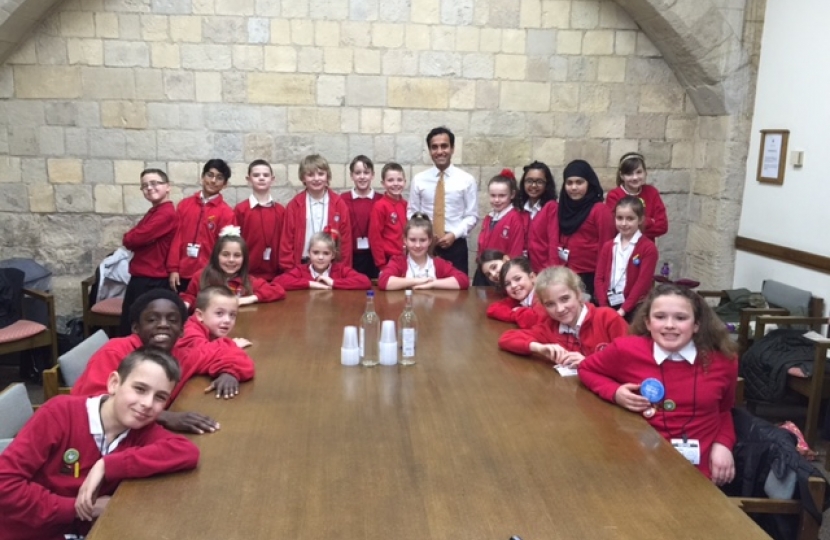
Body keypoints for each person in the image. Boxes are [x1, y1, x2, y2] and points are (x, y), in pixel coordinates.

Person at [0, 349, 200, 540]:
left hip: (92, 530)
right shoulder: (60, 413)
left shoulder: (140, 428)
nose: (147, 403)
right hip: (30, 532)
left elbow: (186, 452)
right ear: (114, 383)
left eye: (160, 397)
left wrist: (107, 465)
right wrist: (77, 508)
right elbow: (5, 484)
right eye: (140, 389)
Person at [579, 284, 738, 484]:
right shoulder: (625, 350)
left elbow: (724, 410)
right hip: (636, 459)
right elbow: (586, 369)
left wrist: (723, 444)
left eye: (681, 318)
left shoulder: (723, 361)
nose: (669, 325)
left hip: (698, 468)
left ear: (696, 324)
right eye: (660, 317)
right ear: (647, 322)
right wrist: (615, 392)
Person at [72, 289, 220, 434]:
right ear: (136, 328)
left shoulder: (182, 355)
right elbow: (94, 402)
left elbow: (224, 352)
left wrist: (228, 373)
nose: (163, 325)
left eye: (172, 320)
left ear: (181, 330)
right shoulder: (115, 351)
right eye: (152, 320)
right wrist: (163, 416)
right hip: (95, 432)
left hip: (140, 429)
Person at [498, 266, 627, 367]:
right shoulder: (549, 327)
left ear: (578, 294)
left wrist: (588, 362)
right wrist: (540, 348)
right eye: (550, 304)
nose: (560, 309)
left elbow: (630, 358)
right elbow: (506, 338)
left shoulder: (607, 318)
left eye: (565, 299)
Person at [408, 126, 478, 274]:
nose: (440, 151)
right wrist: (425, 233)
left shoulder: (466, 180)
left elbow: (472, 215)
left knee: (457, 286)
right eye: (434, 147)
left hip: (456, 245)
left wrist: (454, 234)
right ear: (429, 151)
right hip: (426, 246)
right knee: (424, 284)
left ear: (452, 149)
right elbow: (412, 213)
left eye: (444, 146)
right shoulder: (419, 180)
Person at [118, 168, 178, 336]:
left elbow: (133, 239)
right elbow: (135, 237)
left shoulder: (165, 214)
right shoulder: (154, 211)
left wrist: (131, 238)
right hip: (143, 276)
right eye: (144, 186)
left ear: (167, 186)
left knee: (138, 328)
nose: (149, 188)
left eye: (154, 183)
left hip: (151, 279)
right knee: (131, 324)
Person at [167, 159, 236, 292]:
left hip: (209, 276)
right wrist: (173, 268)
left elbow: (225, 248)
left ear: (225, 184)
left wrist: (219, 274)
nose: (213, 181)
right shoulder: (184, 205)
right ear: (202, 177)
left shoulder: (227, 213)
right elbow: (176, 238)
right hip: (181, 273)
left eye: (219, 178)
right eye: (210, 175)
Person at [177, 286, 256, 400]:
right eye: (219, 313)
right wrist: (230, 344)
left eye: (232, 315)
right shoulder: (188, 331)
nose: (227, 320)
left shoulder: (210, 330)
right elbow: (206, 355)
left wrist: (230, 371)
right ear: (200, 315)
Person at [180, 226, 285, 310]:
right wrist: (186, 304)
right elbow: (190, 296)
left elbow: (278, 291)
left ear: (244, 259)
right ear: (216, 256)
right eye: (225, 255)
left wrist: (247, 299)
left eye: (237, 255)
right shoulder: (201, 276)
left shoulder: (248, 281)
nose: (231, 260)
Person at [279, 154, 353, 272]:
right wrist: (289, 270)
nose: (316, 178)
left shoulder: (339, 204)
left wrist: (342, 269)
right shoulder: (294, 205)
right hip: (302, 264)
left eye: (321, 174)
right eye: (310, 175)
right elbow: (287, 241)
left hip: (331, 266)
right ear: (303, 178)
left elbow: (345, 241)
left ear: (327, 176)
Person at [556, 159, 615, 299]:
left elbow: (607, 246)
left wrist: (601, 282)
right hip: (566, 273)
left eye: (579, 182)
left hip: (591, 276)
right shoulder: (563, 208)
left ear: (589, 183)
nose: (574, 187)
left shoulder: (599, 210)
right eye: (569, 183)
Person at [594, 196, 658, 322]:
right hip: (608, 303)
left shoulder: (648, 248)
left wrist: (623, 310)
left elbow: (643, 282)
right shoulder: (608, 246)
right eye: (619, 218)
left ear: (640, 220)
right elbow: (599, 278)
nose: (624, 223)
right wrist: (604, 306)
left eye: (630, 219)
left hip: (634, 306)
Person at [378, 213, 470, 291]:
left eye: (422, 240)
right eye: (412, 240)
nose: (418, 245)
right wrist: (417, 281)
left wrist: (432, 283)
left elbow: (463, 280)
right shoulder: (398, 262)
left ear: (430, 240)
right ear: (405, 240)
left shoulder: (438, 264)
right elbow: (383, 281)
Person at [234, 159, 285, 281]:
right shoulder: (241, 210)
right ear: (249, 179)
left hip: (276, 275)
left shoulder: (281, 211)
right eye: (256, 175)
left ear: (272, 179)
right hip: (246, 275)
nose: (261, 178)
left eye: (266, 175)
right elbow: (235, 242)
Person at [473, 169, 526, 286]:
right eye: (493, 196)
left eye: (502, 196)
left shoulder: (515, 218)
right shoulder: (488, 218)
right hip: (485, 273)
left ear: (512, 195)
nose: (496, 200)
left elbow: (516, 252)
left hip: (500, 275)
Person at [274, 232, 372, 291]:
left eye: (326, 253)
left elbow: (365, 282)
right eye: (316, 253)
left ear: (333, 255)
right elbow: (278, 282)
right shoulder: (301, 270)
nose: (320, 257)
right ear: (309, 253)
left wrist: (333, 282)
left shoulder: (340, 269)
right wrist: (310, 284)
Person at [605, 152, 668, 241]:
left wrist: (630, 225)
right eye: (629, 174)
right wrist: (650, 221)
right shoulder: (614, 195)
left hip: (646, 246)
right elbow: (615, 228)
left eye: (639, 172)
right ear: (622, 176)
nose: (635, 177)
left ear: (645, 172)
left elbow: (662, 227)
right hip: (623, 246)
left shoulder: (652, 192)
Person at [341, 155, 382, 279]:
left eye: (366, 172)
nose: (362, 177)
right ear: (351, 176)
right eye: (358, 173)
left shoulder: (381, 200)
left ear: (372, 175)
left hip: (375, 257)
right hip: (351, 257)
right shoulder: (342, 199)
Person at [486, 257, 546, 329]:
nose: (513, 285)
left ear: (532, 277)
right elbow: (492, 309)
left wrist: (518, 311)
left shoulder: (542, 295)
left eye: (517, 279)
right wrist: (515, 314)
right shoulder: (518, 298)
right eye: (507, 284)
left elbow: (532, 321)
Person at [369, 162, 408, 271]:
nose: (395, 184)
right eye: (390, 180)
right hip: (388, 260)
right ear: (383, 183)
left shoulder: (406, 205)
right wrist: (381, 264)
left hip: (406, 258)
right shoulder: (380, 206)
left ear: (405, 182)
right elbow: (375, 237)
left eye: (399, 180)